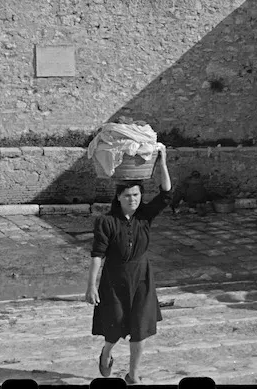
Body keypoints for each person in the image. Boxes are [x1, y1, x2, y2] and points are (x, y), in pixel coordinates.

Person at [85, 145, 171, 384]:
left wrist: (162, 163)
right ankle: (106, 352)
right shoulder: (106, 222)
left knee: (140, 327)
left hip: (142, 276)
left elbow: (166, 194)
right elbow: (97, 254)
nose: (132, 199)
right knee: (114, 327)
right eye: (127, 196)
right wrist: (91, 285)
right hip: (114, 278)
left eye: (136, 195)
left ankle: (133, 375)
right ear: (118, 198)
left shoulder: (145, 216)